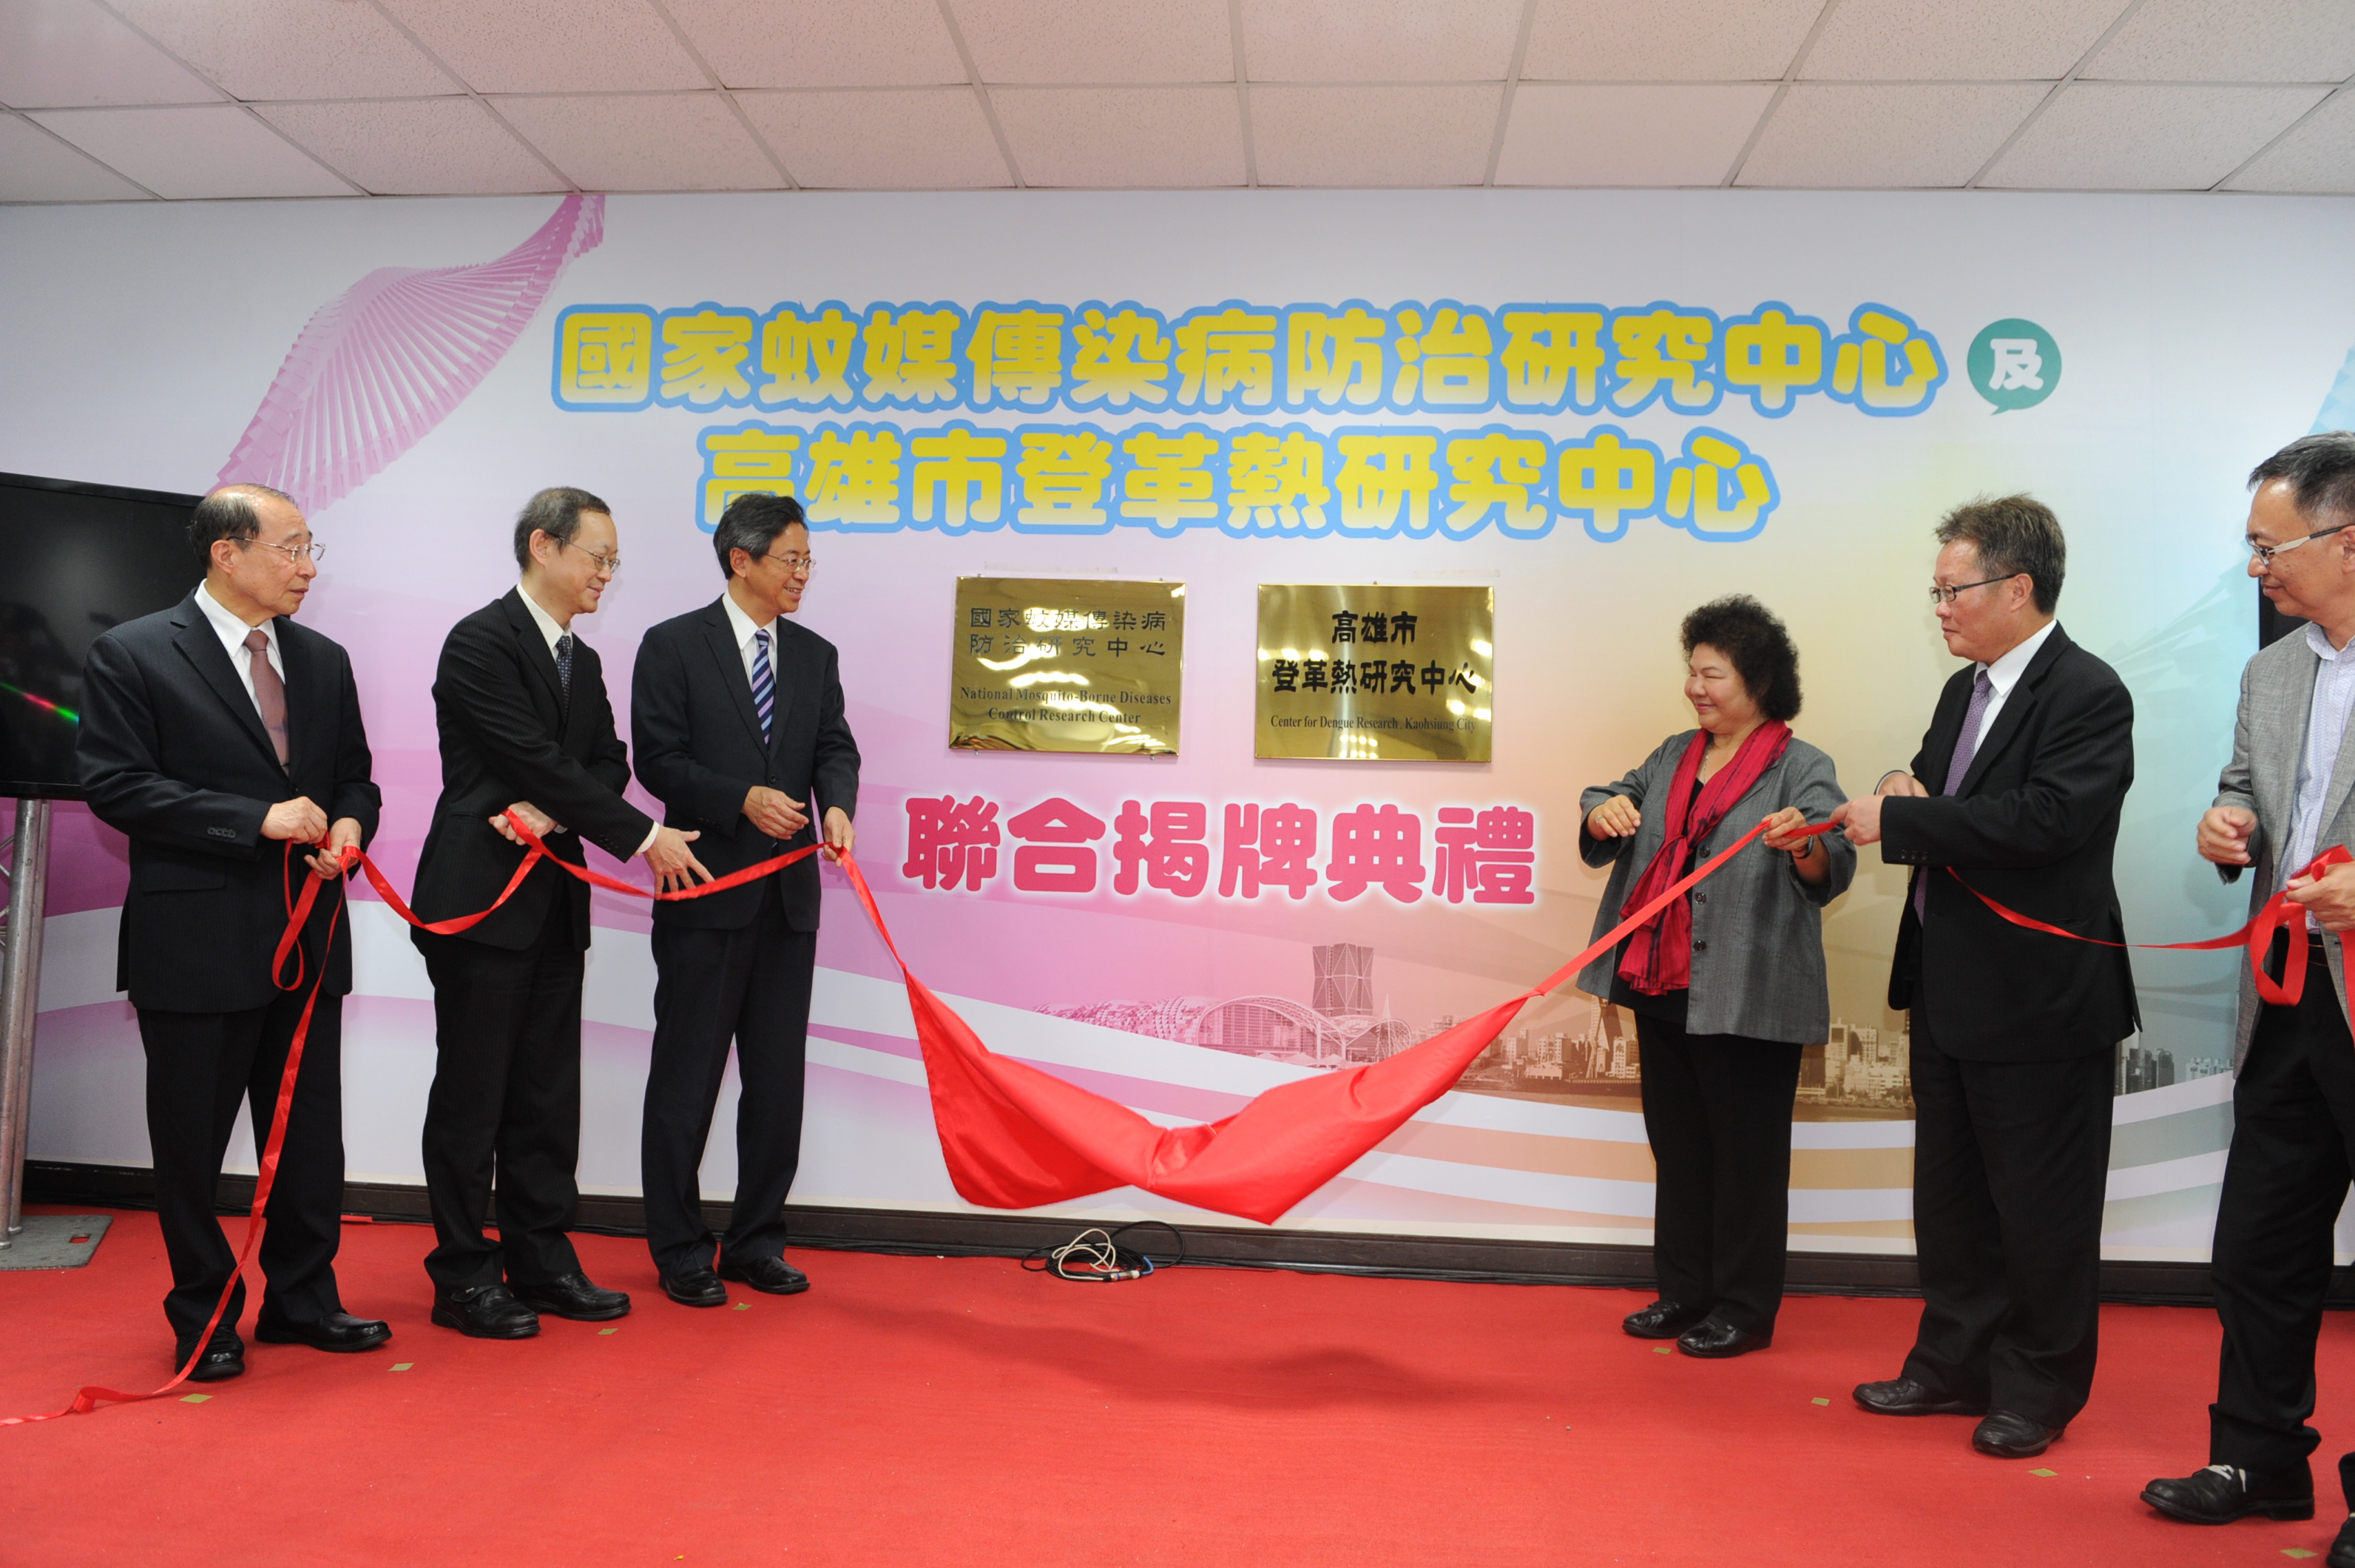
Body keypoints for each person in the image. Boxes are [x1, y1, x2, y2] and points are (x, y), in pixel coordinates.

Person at [1832, 495, 2135, 1460]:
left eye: (1952, 590)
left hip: (2041, 999)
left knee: (2042, 1211)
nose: (1940, 609)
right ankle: (1951, 1364)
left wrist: (1902, 820)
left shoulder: (2087, 691)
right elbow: (1935, 787)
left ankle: (2037, 1387)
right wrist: (1900, 786)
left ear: (2017, 588)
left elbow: (2047, 820)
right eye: (1935, 592)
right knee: (1952, 1198)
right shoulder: (1964, 692)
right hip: (1949, 984)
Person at [76, 483, 388, 1379]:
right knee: (192, 1141)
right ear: (226, 551)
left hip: (307, 931)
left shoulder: (322, 658)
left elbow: (356, 775)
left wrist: (350, 824)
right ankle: (205, 1314)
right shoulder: (134, 651)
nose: (307, 566)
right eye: (291, 547)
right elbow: (117, 786)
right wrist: (255, 819)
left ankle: (304, 1300)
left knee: (307, 1136)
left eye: (311, 547)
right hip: (197, 940)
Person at [409, 487, 710, 1339]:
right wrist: (642, 836)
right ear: (544, 546)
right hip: (479, 900)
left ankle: (541, 1259)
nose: (607, 573)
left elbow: (605, 762)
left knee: (545, 1095)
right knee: (473, 1096)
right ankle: (463, 1275)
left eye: (615, 561)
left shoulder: (584, 658)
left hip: (551, 901)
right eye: (597, 556)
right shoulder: (479, 641)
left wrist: (553, 812)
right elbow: (529, 754)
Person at [2143, 432, 2355, 1566]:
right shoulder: (2272, 670)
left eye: (2272, 547)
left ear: (2349, 541)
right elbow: (2250, 790)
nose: (2256, 569)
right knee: (2261, 1242)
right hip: (2288, 997)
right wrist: (2230, 827)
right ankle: (2258, 1458)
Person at [1578, 595, 1855, 1358]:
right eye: (1692, 672)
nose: (1695, 687)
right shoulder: (1674, 753)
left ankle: (1742, 1307)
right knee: (1679, 1149)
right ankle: (1684, 1292)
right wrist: (1604, 811)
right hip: (1662, 985)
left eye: (1713, 674)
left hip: (1749, 990)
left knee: (1746, 1159)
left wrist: (1804, 843)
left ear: (1757, 680)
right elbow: (1611, 795)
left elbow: (1833, 862)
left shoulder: (1801, 766)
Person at [630, 493, 859, 1308]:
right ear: (742, 560)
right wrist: (741, 799)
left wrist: (837, 804)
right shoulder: (672, 644)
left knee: (774, 1082)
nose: (802, 574)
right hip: (705, 892)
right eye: (791, 559)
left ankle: (758, 1240)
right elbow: (657, 759)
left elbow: (833, 745)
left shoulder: (815, 654)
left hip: (788, 902)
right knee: (686, 1080)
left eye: (807, 561)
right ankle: (680, 1248)